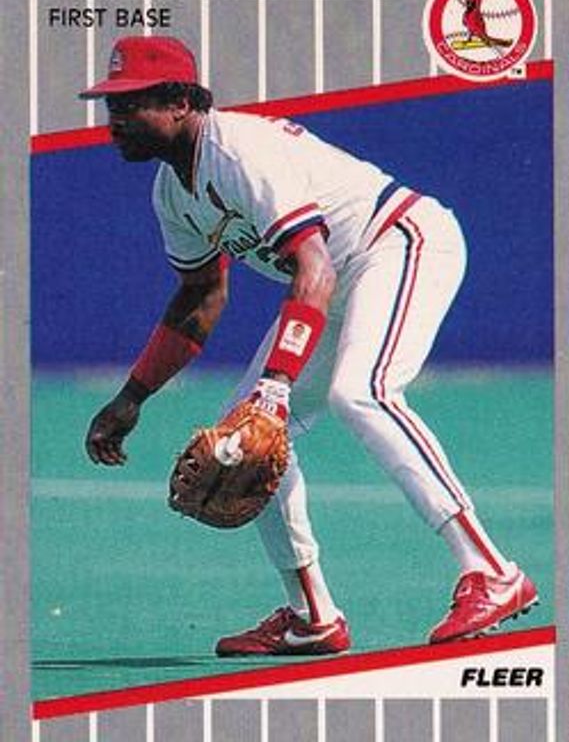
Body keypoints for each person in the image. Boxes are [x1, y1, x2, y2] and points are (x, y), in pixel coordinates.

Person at [82, 35, 537, 656]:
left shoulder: (237, 151)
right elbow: (200, 298)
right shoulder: (171, 191)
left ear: (181, 102)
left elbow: (313, 267)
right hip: (333, 280)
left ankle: (491, 570)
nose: (114, 119)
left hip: (397, 242)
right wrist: (132, 397)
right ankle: (312, 616)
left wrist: (276, 384)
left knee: (362, 392)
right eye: (111, 105)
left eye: (129, 104)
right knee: (244, 438)